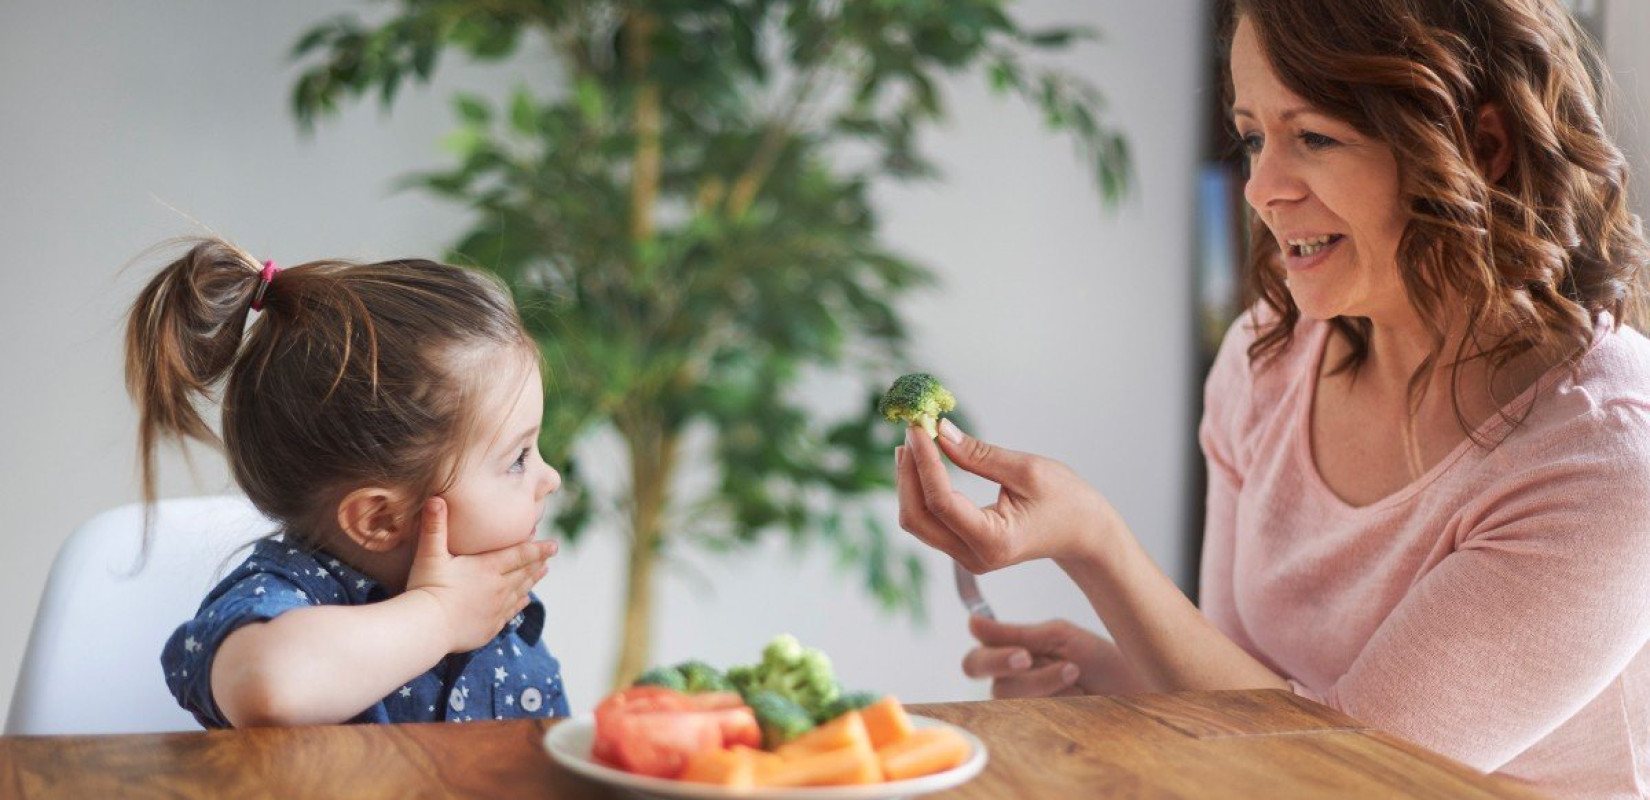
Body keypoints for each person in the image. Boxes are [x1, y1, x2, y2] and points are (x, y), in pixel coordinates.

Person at [895, 1, 1650, 796]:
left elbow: (1348, 782)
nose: (1261, 189)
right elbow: (1254, 706)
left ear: (1483, 145)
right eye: (1253, 137)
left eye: (1313, 137)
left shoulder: (1605, 459)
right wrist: (1111, 680)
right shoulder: (1270, 358)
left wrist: (1094, 544)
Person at [130, 237, 567, 727]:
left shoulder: (501, 616)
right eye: (518, 458)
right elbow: (269, 684)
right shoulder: (286, 597)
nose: (550, 478)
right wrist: (440, 616)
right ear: (379, 518)